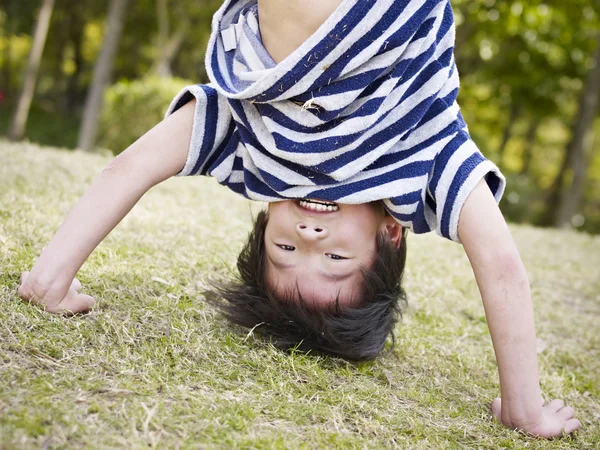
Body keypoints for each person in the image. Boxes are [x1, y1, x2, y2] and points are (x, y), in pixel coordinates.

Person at [17, 0, 580, 438]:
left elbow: (127, 168)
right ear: (391, 234)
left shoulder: (253, 149)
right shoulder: (421, 166)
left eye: (284, 252)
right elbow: (501, 264)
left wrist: (49, 279)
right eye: (335, 260)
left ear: (265, 222)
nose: (307, 236)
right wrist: (523, 408)